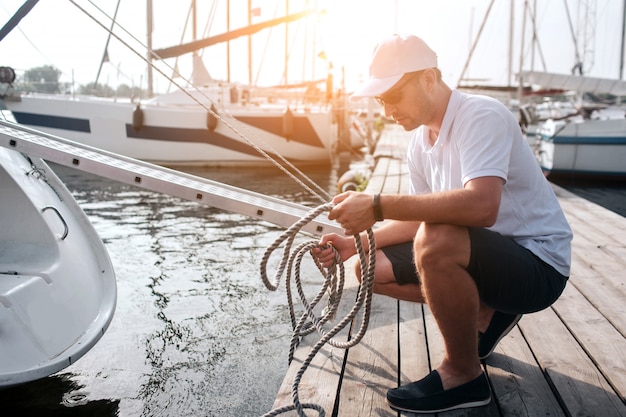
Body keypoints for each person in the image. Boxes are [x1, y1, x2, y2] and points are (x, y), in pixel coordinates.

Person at [311, 34, 572, 414]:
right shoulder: (419, 143)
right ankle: (488, 312)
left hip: (539, 266)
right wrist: (356, 244)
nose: (386, 111)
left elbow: (483, 206)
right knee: (368, 267)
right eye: (380, 100)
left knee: (438, 239)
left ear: (428, 79)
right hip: (487, 256)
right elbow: (421, 218)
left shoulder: (481, 116)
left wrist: (378, 205)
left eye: (393, 96)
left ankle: (463, 375)